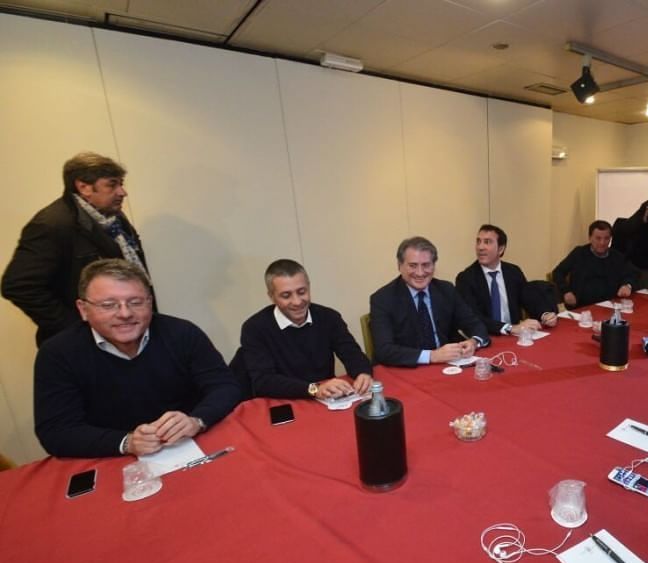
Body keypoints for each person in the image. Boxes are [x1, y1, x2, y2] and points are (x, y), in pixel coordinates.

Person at [33, 259, 240, 458]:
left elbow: (225, 386)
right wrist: (126, 442)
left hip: (190, 445)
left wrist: (197, 420)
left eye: (135, 302)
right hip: (113, 459)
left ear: (149, 302)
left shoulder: (182, 333)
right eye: (109, 305)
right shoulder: (58, 354)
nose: (125, 313)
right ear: (83, 309)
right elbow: (56, 431)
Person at [2, 152, 152, 346]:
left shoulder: (113, 218)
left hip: (126, 335)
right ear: (84, 187)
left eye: (121, 184)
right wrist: (77, 328)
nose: (122, 192)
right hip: (84, 346)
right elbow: (18, 286)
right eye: (112, 185)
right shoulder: (51, 224)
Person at [232, 259, 372, 400]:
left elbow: (352, 353)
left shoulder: (329, 317)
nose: (297, 302)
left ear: (309, 287)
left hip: (327, 399)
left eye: (302, 292)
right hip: (282, 401)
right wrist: (314, 389)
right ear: (272, 296)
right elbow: (264, 381)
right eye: (286, 296)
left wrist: (363, 373)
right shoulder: (255, 328)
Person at [370, 236, 489, 367]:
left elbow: (475, 324)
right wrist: (432, 356)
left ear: (434, 266)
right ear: (399, 266)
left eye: (426, 265)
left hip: (447, 366)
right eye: (413, 266)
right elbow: (384, 350)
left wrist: (474, 342)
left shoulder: (446, 290)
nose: (420, 273)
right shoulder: (382, 299)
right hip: (407, 369)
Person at [455, 224, 557, 337]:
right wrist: (509, 328)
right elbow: (474, 317)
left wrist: (545, 314)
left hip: (514, 336)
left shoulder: (513, 271)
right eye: (478, 241)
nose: (480, 247)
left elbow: (528, 298)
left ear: (501, 249)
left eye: (487, 242)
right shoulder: (466, 278)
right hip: (486, 337)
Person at [552, 221, 636, 308]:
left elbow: (632, 274)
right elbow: (558, 272)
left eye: (606, 238)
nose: (602, 243)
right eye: (598, 238)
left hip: (611, 305)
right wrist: (566, 291)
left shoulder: (617, 257)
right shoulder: (579, 254)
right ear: (590, 238)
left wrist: (627, 285)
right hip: (582, 307)